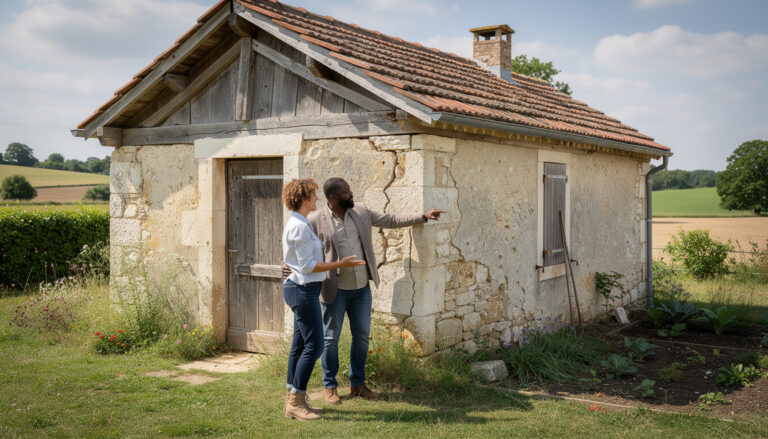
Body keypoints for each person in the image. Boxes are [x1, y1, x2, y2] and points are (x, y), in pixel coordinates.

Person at [286, 177, 444, 405]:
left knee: (361, 337)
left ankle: (357, 383)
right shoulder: (315, 219)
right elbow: (298, 245)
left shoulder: (360, 211)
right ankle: (329, 387)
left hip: (361, 289)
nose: (351, 194)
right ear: (333, 198)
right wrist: (287, 265)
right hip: (334, 290)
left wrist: (422, 216)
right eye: (346, 192)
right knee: (330, 339)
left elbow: (389, 220)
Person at [281, 178, 365, 421]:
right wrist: (341, 263)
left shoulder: (300, 223)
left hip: (300, 288)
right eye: (313, 195)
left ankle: (293, 399)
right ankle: (296, 402)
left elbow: (294, 259)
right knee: (315, 345)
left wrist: (288, 266)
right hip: (303, 290)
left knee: (299, 345)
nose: (316, 198)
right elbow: (307, 266)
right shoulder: (299, 225)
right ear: (303, 198)